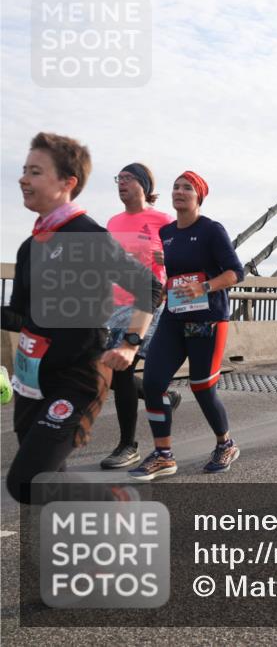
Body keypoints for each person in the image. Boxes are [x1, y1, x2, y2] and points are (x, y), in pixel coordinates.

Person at [3, 132, 162, 503]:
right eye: (24, 170)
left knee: (26, 483)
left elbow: (149, 287)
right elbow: (21, 316)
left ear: (67, 182)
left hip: (77, 378)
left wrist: (130, 343)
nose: (23, 179)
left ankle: (118, 503)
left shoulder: (88, 236)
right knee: (50, 481)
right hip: (32, 380)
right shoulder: (30, 246)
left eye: (35, 172)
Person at [130, 171, 244, 480]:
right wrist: (165, 290)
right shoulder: (166, 233)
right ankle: (163, 455)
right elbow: (172, 272)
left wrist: (204, 287)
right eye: (176, 187)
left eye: (187, 188)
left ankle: (226, 444)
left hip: (207, 319)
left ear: (199, 197)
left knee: (202, 386)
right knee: (153, 383)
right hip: (174, 317)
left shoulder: (211, 230)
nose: (179, 192)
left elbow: (236, 272)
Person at [100, 163, 180, 470]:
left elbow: (180, 259)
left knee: (122, 369)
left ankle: (127, 446)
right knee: (105, 366)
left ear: (144, 185)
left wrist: (168, 258)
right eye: (118, 179)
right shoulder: (113, 222)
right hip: (114, 304)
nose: (121, 183)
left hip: (149, 301)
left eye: (128, 178)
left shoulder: (163, 221)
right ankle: (161, 395)